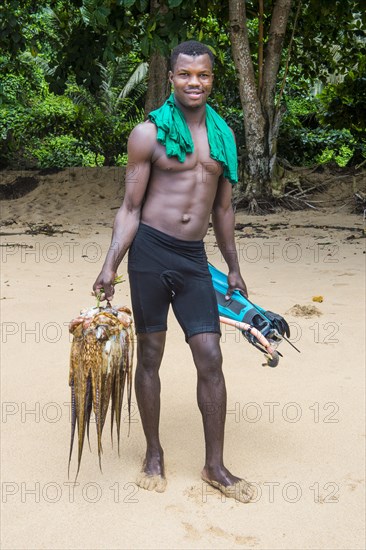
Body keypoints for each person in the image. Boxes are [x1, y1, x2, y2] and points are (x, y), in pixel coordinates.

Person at [93, 40, 254, 503]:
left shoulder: (223, 136)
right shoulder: (148, 134)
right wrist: (110, 266)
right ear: (171, 79)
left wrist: (234, 267)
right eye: (185, 75)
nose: (194, 83)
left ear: (211, 78)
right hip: (150, 253)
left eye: (202, 75)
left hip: (193, 259)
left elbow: (223, 208)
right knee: (150, 356)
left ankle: (215, 466)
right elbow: (129, 207)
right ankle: (154, 453)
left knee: (211, 357)